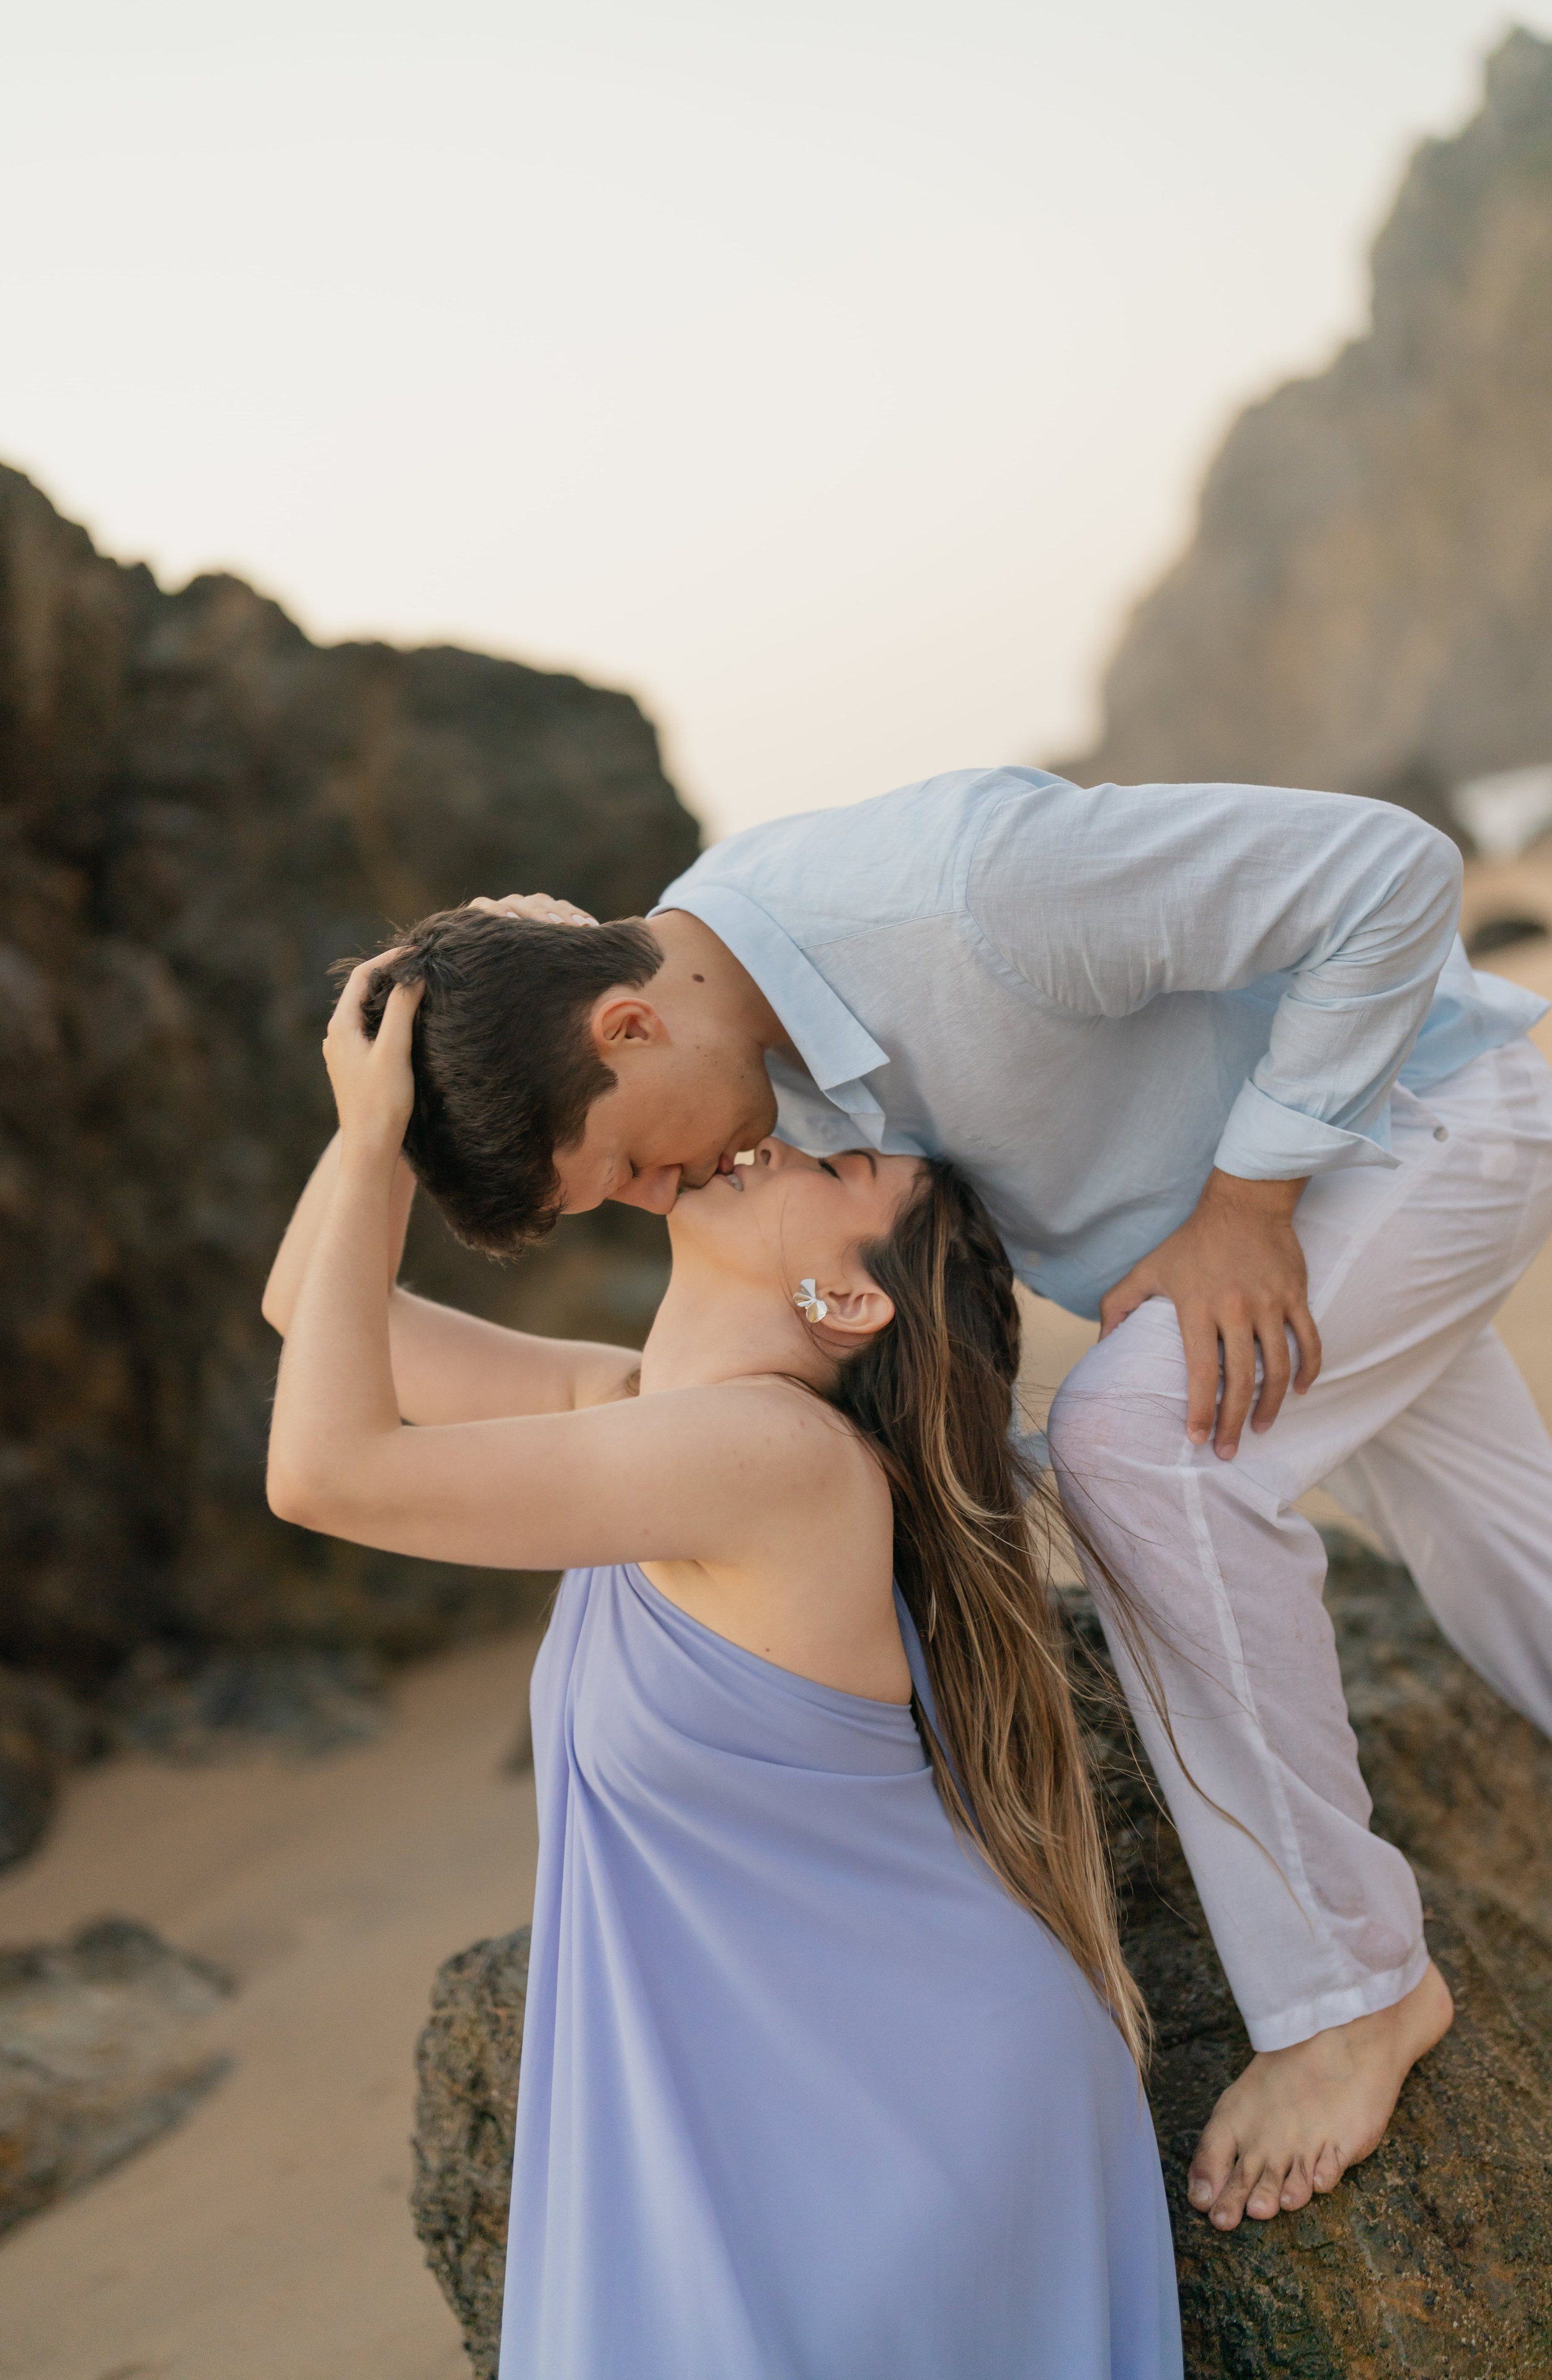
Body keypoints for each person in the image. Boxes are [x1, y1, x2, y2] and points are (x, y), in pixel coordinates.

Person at [393, 762, 1552, 2235]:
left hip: (1416, 1122)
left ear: (631, 1025)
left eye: (628, 1159)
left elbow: (1387, 872)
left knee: (1138, 1447)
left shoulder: (960, 890)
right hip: (1273, 1227)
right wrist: (385, 1100)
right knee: (1502, 1552)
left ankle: (1350, 1992)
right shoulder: (716, 1024)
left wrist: (1245, 1207)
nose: (659, 1193)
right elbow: (524, 946)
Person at [260, 950, 1184, 2380]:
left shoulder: (766, 1459)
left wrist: (380, 1133)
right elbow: (314, 1314)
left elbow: (323, 1468)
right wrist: (392, 1093)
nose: (783, 1136)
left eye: (846, 1160)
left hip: (893, 2118)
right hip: (813, 2097)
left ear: (848, 1300)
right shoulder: (632, 1411)